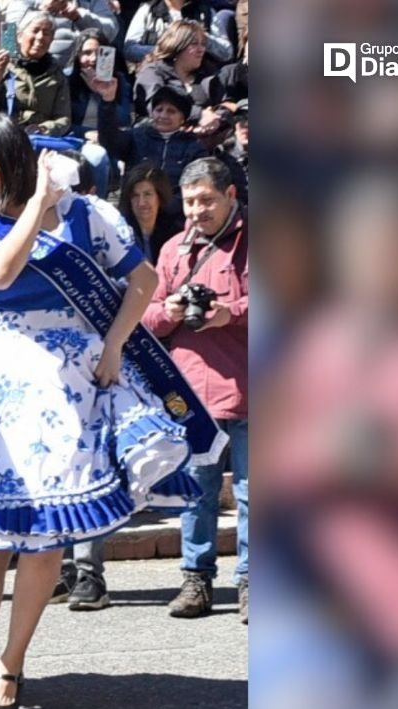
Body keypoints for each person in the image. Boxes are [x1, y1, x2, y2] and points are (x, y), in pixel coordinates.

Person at [0, 114, 197, 709]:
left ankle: (12, 663)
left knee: (47, 532)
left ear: (15, 160)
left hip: (69, 380)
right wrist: (37, 206)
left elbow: (145, 280)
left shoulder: (87, 216)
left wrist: (113, 345)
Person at [141, 157, 247, 622]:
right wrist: (170, 308)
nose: (197, 211)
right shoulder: (172, 250)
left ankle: (252, 583)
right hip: (192, 395)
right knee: (197, 492)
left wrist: (231, 313)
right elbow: (145, 320)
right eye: (189, 202)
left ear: (231, 197)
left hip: (250, 385)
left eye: (206, 200)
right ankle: (196, 581)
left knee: (253, 493)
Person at [128, 85, 208, 226]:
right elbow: (110, 140)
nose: (163, 115)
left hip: (173, 218)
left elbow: (193, 185)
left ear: (182, 118)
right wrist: (107, 102)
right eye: (159, 110)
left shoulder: (194, 147)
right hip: (135, 211)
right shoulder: (137, 136)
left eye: (171, 111)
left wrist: (160, 205)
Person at [0, 12, 72, 137]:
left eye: (46, 33)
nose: (40, 37)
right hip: (5, 136)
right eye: (35, 31)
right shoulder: (2, 65)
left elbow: (63, 118)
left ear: (51, 40)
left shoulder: (56, 73)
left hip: (40, 138)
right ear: (19, 36)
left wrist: (43, 129)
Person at [131, 19, 227, 130]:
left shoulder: (208, 73)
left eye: (203, 44)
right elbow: (156, 107)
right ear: (177, 46)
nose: (201, 49)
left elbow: (225, 104)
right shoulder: (152, 72)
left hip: (206, 138)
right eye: (194, 44)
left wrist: (215, 120)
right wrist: (199, 115)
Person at [68, 29, 125, 198]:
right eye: (86, 53)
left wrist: (104, 95)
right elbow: (63, 121)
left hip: (109, 137)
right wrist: (85, 132)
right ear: (78, 56)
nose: (93, 59)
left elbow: (122, 118)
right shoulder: (67, 81)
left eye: (99, 53)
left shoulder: (118, 81)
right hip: (79, 138)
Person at [3, 0, 120, 70]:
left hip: (80, 74)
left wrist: (79, 16)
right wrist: (42, 12)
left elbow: (111, 31)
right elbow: (7, 40)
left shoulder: (92, 2)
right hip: (32, 69)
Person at [122, 0, 236, 65]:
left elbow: (226, 53)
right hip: (158, 72)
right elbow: (129, 49)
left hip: (199, 77)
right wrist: (165, 51)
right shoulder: (148, 10)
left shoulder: (205, 12)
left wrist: (200, 37)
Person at [116, 161, 181, 264]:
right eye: (135, 196)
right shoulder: (119, 233)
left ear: (159, 197)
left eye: (147, 194)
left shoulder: (175, 231)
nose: (141, 202)